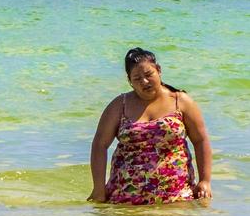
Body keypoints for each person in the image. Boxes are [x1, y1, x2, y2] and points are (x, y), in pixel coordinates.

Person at [89, 47, 212, 204]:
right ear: (130, 81)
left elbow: (201, 140)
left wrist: (205, 181)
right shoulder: (119, 105)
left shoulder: (180, 101)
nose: (144, 82)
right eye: (137, 79)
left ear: (158, 70)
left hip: (177, 197)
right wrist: (98, 188)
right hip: (125, 200)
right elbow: (100, 145)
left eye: (148, 75)